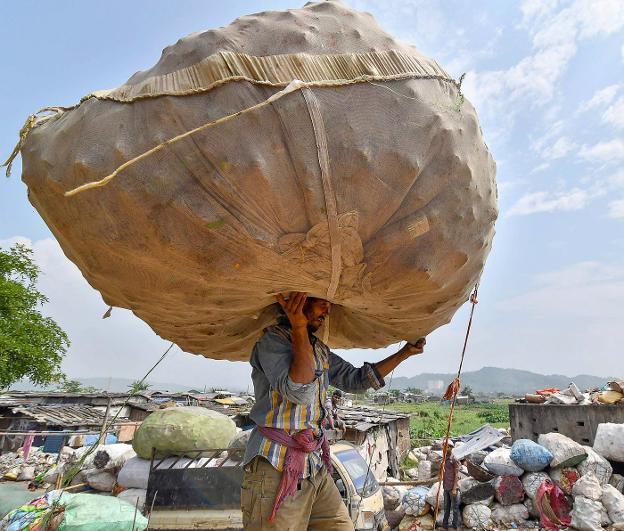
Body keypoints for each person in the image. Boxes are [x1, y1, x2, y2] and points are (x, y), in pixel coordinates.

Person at [241, 292, 426, 530]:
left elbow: (357, 380)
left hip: (314, 466)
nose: (327, 309)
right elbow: (299, 391)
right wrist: (298, 325)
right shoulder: (272, 342)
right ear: (298, 301)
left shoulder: (319, 350)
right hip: (276, 466)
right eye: (320, 300)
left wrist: (405, 353)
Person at [440, 440, 461, 531]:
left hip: (453, 488)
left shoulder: (454, 459)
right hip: (446, 487)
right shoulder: (444, 458)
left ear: (451, 448)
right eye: (444, 446)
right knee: (446, 507)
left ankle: (455, 527)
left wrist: (454, 489)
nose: (445, 448)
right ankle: (445, 526)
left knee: (455, 508)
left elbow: (457, 474)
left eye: (447, 447)